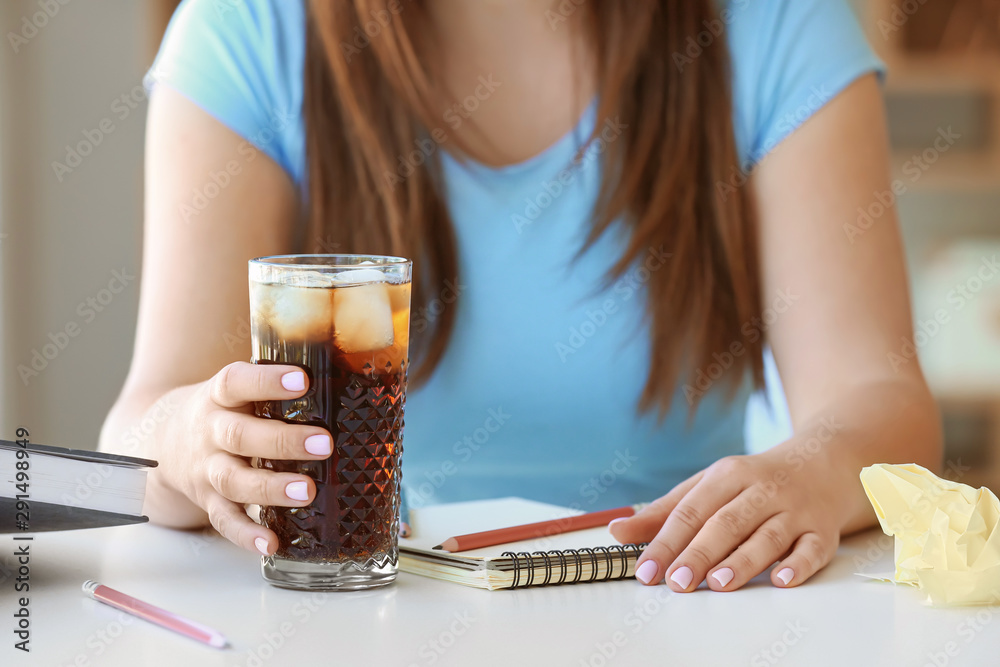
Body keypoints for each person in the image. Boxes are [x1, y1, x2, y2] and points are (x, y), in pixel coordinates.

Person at [100, 0, 942, 593]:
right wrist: (189, 441)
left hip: (678, 600)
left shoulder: (780, 20)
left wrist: (813, 470)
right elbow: (138, 436)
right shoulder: (246, 30)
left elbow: (881, 396)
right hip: (356, 615)